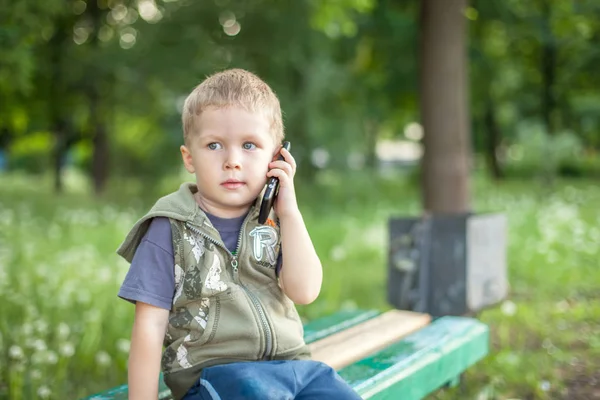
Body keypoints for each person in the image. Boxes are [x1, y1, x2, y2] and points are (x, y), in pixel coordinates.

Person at [117, 68, 361, 400]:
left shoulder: (274, 221)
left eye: (249, 145)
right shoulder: (169, 228)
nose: (232, 160)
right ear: (189, 157)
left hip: (292, 367)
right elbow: (148, 329)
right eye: (214, 145)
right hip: (213, 377)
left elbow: (304, 292)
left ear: (276, 158)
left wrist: (289, 211)